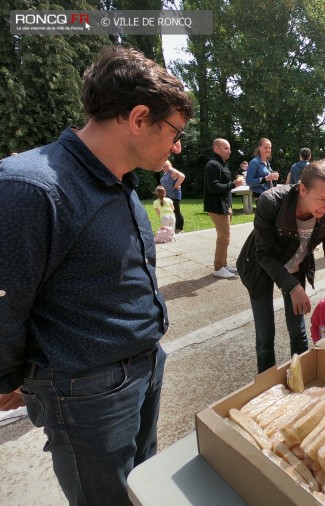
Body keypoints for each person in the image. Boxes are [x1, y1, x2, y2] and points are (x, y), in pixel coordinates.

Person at [0, 46, 192, 505]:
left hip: (143, 364)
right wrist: (6, 378)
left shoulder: (118, 178)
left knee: (143, 488)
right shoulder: (31, 187)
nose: (178, 145)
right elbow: (6, 298)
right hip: (87, 391)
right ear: (140, 117)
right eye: (175, 131)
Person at [237, 161, 325, 373]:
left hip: (295, 266)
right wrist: (293, 287)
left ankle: (300, 377)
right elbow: (264, 254)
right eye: (322, 199)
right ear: (302, 189)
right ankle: (266, 387)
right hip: (259, 268)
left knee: (298, 331)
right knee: (265, 336)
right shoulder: (271, 202)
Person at [204, 138, 244, 279]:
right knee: (224, 237)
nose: (229, 151)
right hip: (217, 206)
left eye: (229, 148)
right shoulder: (212, 165)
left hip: (225, 205)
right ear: (216, 148)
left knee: (225, 237)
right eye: (226, 148)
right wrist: (233, 184)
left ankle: (224, 264)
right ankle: (218, 267)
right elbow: (213, 187)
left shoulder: (221, 164)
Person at [159, 159, 185, 232]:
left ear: (170, 165)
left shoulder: (172, 171)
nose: (164, 167)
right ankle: (176, 228)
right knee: (172, 211)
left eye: (166, 166)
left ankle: (180, 229)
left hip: (174, 194)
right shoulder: (166, 173)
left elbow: (182, 176)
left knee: (176, 211)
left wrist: (177, 184)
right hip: (169, 195)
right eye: (163, 166)